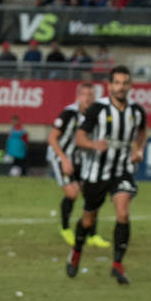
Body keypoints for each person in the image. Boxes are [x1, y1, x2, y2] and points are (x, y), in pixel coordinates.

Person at [67, 65, 147, 285]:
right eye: (117, 83)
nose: (121, 87)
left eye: (125, 83)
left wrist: (138, 150)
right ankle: (76, 251)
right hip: (96, 173)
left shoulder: (137, 111)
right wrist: (93, 144)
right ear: (110, 85)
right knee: (88, 219)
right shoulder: (97, 109)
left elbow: (142, 132)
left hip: (122, 171)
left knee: (123, 212)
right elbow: (79, 138)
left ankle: (118, 264)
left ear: (130, 85)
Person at [46, 82, 111, 248]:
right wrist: (64, 160)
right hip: (61, 155)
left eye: (91, 95)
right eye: (84, 94)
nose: (87, 98)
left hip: (82, 158)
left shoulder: (96, 114)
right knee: (72, 193)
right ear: (78, 97)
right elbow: (52, 138)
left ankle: (92, 234)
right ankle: (65, 228)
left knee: (91, 195)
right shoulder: (69, 113)